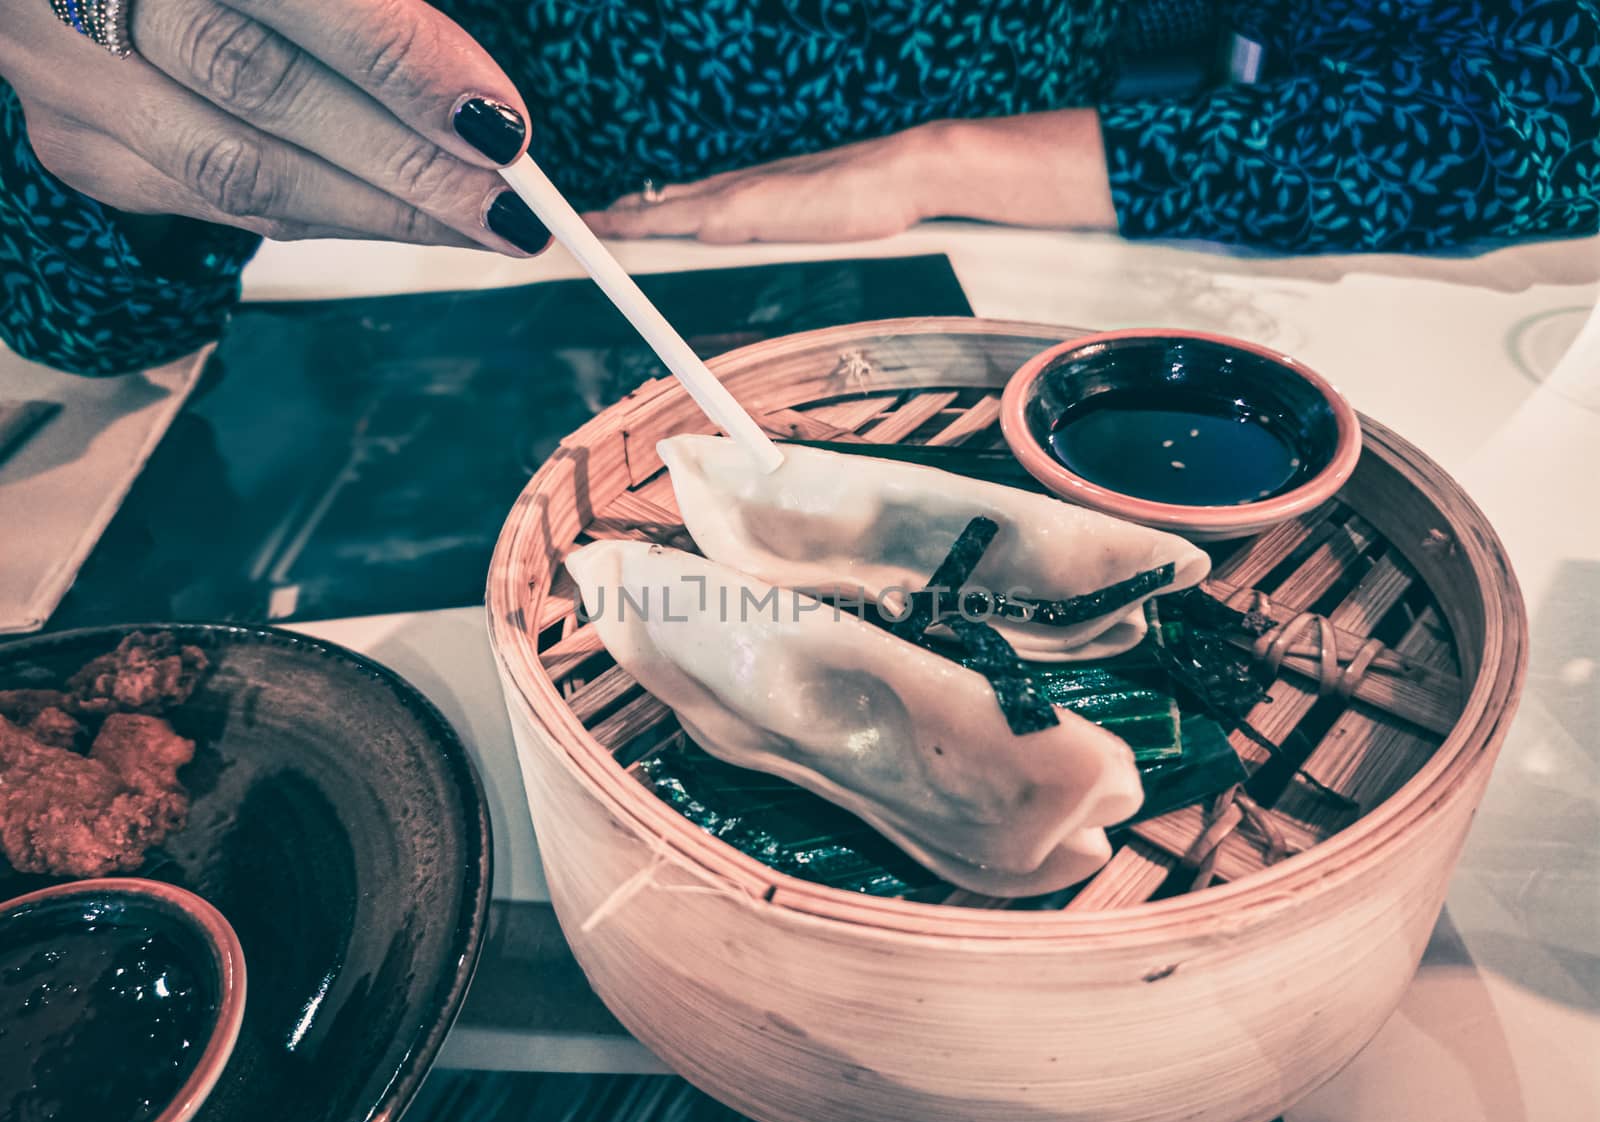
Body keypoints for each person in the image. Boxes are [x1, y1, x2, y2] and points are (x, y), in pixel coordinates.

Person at [0, 0, 1595, 379]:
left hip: (1061, 284)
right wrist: (106, 111)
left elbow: (1547, 88)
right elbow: (78, 311)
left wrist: (951, 166)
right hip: (424, 327)